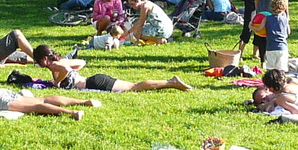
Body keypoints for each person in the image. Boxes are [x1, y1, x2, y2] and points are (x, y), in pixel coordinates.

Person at [31, 46, 192, 92]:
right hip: (94, 79)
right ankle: (170, 83)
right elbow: (81, 63)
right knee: (134, 86)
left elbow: (65, 70)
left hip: (94, 83)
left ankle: (171, 82)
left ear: (44, 58)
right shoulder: (61, 61)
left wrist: (58, 82)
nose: (39, 65)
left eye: (39, 61)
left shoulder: (55, 65)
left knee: (134, 87)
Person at [259, 0, 290, 73]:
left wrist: (251, 25)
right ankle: (281, 83)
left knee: (271, 70)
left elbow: (259, 28)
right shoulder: (285, 19)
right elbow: (288, 32)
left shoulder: (267, 18)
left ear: (271, 6)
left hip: (270, 48)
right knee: (281, 70)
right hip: (282, 48)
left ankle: (271, 84)